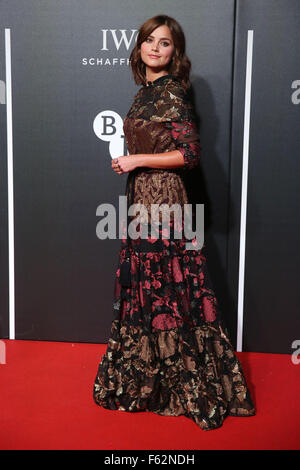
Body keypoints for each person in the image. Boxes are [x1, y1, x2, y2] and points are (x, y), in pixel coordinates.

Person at [93, 14, 256, 431]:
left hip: (165, 201)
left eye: (164, 43)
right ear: (139, 47)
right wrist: (131, 164)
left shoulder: (171, 94)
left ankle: (183, 382)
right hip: (142, 199)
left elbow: (190, 155)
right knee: (150, 288)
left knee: (168, 289)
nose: (155, 48)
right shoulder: (145, 92)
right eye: (149, 40)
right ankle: (154, 382)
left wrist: (137, 159)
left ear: (174, 52)